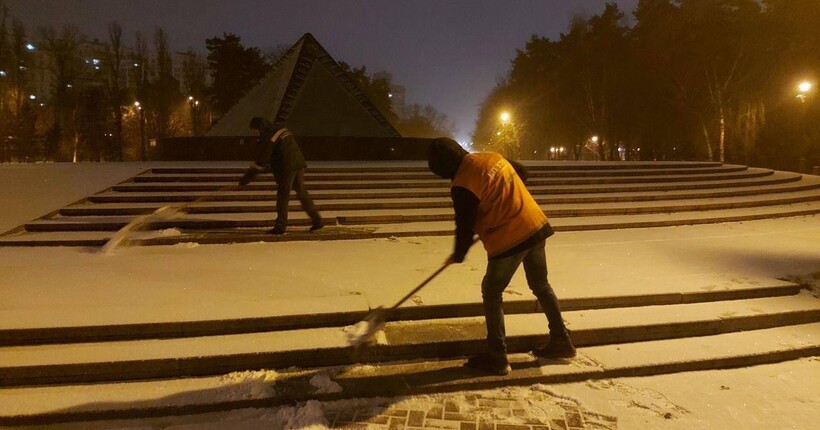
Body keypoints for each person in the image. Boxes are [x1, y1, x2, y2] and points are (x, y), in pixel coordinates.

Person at [427, 137, 575, 376]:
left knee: (492, 290)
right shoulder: (490, 157)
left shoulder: (463, 183)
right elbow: (522, 172)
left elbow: (464, 225)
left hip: (510, 237)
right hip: (535, 225)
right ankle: (561, 341)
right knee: (540, 284)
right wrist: (505, 198)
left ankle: (497, 356)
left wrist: (459, 253)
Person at [239, 117, 323, 234]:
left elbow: (262, 159)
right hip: (298, 164)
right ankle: (317, 220)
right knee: (302, 193)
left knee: (283, 196)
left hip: (286, 167)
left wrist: (247, 178)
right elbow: (281, 150)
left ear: (261, 127)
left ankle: (280, 226)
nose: (257, 133)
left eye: (257, 130)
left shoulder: (269, 136)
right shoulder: (281, 129)